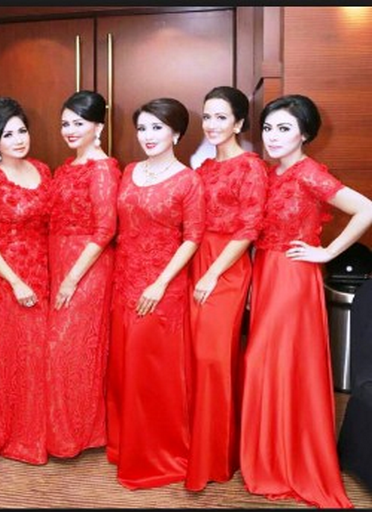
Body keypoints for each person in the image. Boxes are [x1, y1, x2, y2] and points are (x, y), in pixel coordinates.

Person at [240, 94, 372, 508]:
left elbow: (366, 210)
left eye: (284, 128)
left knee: (276, 364)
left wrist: (326, 252)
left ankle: (286, 460)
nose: (272, 136)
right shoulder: (270, 174)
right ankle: (269, 456)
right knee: (267, 365)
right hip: (266, 274)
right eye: (268, 128)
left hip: (293, 278)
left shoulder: (309, 173)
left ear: (305, 134)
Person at [106, 97, 204, 489]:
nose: (148, 135)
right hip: (125, 281)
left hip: (162, 286)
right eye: (142, 128)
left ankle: (158, 454)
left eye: (157, 128)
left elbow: (192, 238)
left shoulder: (188, 180)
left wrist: (160, 283)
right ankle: (125, 445)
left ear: (176, 133)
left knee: (152, 372)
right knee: (125, 368)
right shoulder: (130, 171)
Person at [185, 86, 268, 492]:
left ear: (238, 123)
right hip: (196, 261)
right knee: (196, 359)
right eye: (207, 116)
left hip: (226, 268)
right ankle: (200, 447)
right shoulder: (201, 169)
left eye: (221, 117)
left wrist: (212, 274)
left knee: (214, 359)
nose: (212, 124)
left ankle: (215, 458)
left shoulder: (251, 167)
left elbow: (249, 229)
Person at [0, 96, 52, 464]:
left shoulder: (42, 170)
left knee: (42, 357)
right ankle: (18, 435)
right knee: (15, 358)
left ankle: (43, 432)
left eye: (22, 131)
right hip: (9, 281)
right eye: (8, 134)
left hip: (45, 274)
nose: (19, 139)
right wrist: (16, 282)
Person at [47, 90, 121, 457]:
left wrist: (72, 279)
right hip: (59, 262)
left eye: (79, 123)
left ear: (98, 127)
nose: (70, 130)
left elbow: (105, 230)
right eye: (65, 123)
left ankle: (77, 435)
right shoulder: (66, 167)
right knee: (65, 351)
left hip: (87, 268)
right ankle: (71, 431)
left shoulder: (103, 169)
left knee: (72, 349)